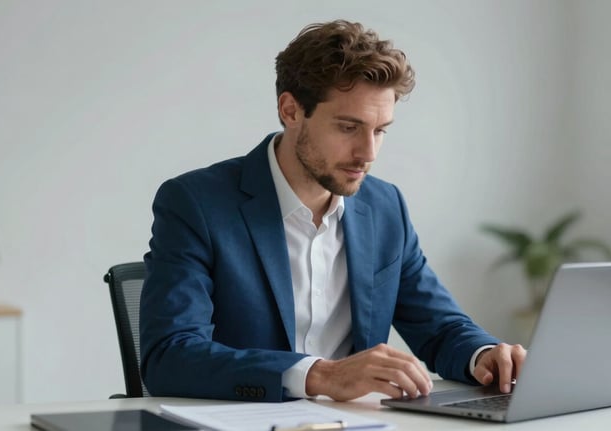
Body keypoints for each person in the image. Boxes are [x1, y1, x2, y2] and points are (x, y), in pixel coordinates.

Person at [140, 19, 526, 403]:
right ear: (290, 111)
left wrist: (487, 356)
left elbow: (440, 328)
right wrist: (319, 375)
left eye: (380, 130)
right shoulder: (196, 203)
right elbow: (170, 355)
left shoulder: (385, 207)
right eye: (347, 127)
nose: (368, 154)